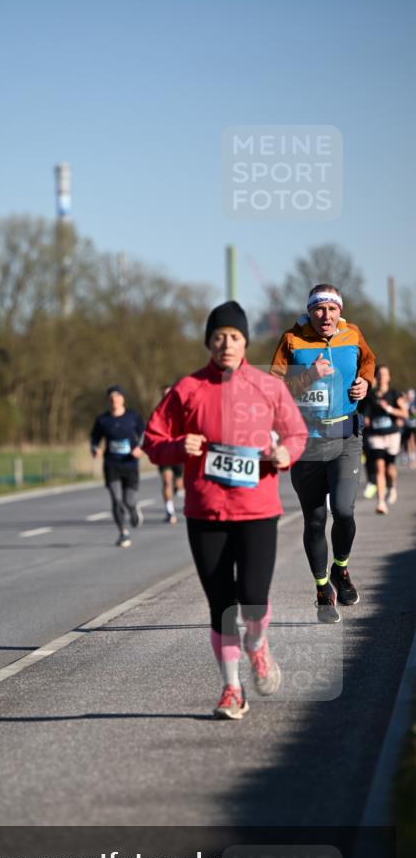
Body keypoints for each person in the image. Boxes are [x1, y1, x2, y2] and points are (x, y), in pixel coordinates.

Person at [144, 302, 307, 719]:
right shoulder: (188, 388)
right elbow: (153, 439)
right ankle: (232, 689)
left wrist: (283, 452)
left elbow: (296, 433)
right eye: (218, 337)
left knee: (252, 599)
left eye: (234, 337)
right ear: (208, 343)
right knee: (221, 604)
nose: (226, 344)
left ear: (245, 342)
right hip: (206, 512)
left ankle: (258, 647)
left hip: (256, 510)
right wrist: (178, 446)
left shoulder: (268, 387)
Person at [270, 284, 375, 623]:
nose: (325, 316)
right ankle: (321, 587)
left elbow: (369, 361)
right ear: (310, 311)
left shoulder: (352, 333)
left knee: (343, 510)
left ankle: (341, 570)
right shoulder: (292, 340)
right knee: (315, 519)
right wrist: (309, 375)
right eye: (319, 309)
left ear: (339, 311)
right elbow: (275, 390)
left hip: (345, 436)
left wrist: (366, 382)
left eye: (331, 309)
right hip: (307, 442)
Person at [91, 385, 145, 547]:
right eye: (111, 397)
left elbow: (144, 434)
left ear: (123, 399)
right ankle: (123, 532)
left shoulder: (133, 417)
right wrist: (95, 448)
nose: (114, 400)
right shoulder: (103, 420)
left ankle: (133, 509)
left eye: (117, 396)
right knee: (116, 499)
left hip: (130, 463)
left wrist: (140, 448)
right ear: (109, 400)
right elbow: (94, 437)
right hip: (111, 464)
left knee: (128, 501)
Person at [364, 365, 408, 514]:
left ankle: (392, 486)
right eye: (380, 374)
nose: (382, 377)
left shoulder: (394, 393)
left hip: (392, 435)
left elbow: (405, 414)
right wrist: (366, 420)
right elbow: (366, 415)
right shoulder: (370, 396)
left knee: (390, 469)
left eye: (385, 374)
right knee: (379, 468)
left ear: (389, 377)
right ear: (376, 377)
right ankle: (381, 502)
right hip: (375, 436)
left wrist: (389, 409)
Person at [158, 384, 185, 524]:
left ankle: (177, 487)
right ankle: (170, 511)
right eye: (164, 395)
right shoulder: (158, 413)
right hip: (164, 452)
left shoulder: (181, 410)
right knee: (166, 480)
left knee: (179, 483)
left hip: (179, 451)